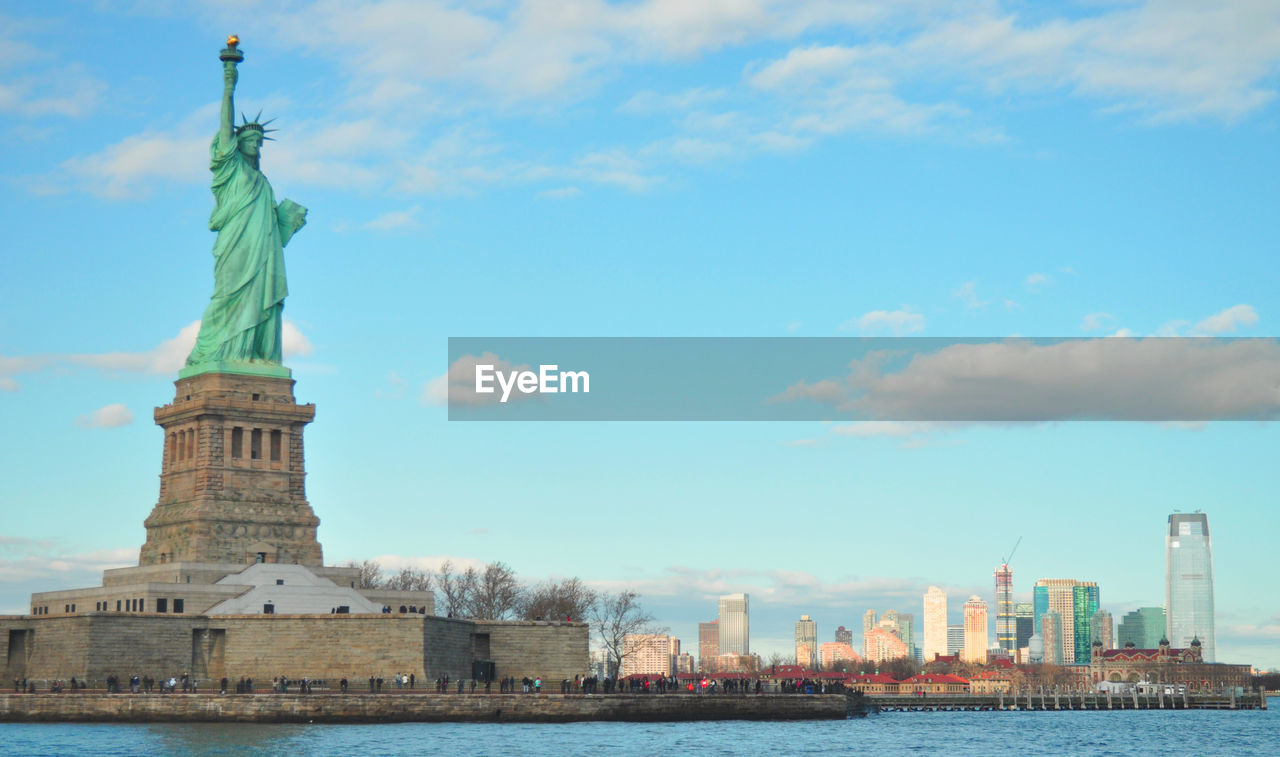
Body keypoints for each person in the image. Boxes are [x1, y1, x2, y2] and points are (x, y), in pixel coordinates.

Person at [186, 44, 306, 373]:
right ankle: (219, 352)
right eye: (248, 142)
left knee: (262, 301)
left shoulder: (263, 182)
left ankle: (254, 354)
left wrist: (288, 223)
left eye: (258, 143)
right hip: (236, 247)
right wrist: (229, 83)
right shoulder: (231, 171)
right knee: (227, 296)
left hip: (264, 253)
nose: (254, 146)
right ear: (237, 146)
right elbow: (226, 127)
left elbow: (272, 233)